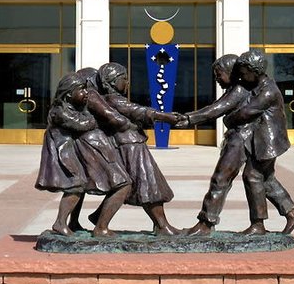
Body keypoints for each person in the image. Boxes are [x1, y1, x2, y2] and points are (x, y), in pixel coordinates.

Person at [177, 54, 294, 236]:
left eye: (219, 74)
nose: (216, 78)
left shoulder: (253, 90)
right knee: (265, 180)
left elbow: (224, 110)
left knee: (229, 178)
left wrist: (190, 119)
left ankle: (211, 224)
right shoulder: (250, 86)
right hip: (255, 140)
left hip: (255, 140)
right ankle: (291, 214)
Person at [34, 70, 132, 237]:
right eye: (81, 90)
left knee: (79, 186)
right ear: (67, 95)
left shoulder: (74, 108)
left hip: (71, 152)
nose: (86, 93)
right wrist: (95, 119)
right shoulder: (60, 111)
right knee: (75, 186)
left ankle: (72, 222)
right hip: (63, 155)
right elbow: (83, 124)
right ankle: (61, 223)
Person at [91, 62, 183, 235]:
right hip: (131, 147)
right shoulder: (113, 100)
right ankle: (162, 226)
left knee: (142, 186)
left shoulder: (112, 100)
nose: (127, 83)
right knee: (149, 185)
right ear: (111, 82)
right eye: (123, 79)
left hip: (131, 145)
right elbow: (137, 111)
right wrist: (164, 116)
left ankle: (101, 219)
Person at [221, 49, 294, 235]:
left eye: (243, 73)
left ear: (254, 71)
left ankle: (258, 224)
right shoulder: (260, 87)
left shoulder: (268, 92)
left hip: (268, 142)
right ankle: (292, 214)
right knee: (267, 179)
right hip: (263, 141)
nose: (240, 77)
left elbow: (246, 112)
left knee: (253, 176)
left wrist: (228, 120)